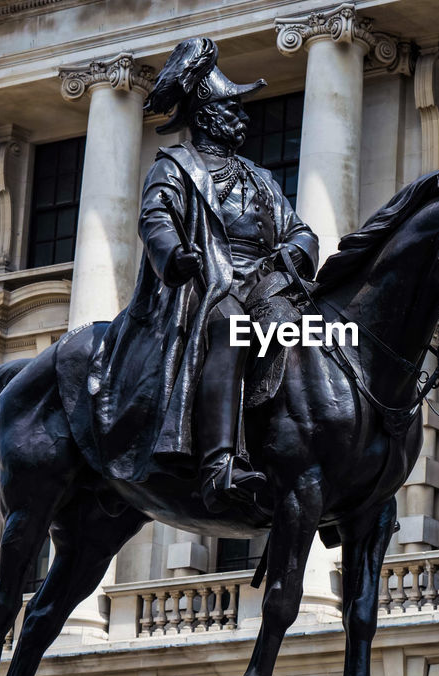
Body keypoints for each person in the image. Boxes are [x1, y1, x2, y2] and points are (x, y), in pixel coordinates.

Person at [86, 37, 318, 512]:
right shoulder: (175, 167)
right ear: (209, 114)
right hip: (206, 284)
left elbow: (300, 231)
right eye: (235, 109)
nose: (245, 118)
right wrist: (175, 256)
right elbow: (155, 220)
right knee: (231, 329)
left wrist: (293, 255)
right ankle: (219, 464)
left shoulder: (261, 178)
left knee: (315, 334)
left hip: (266, 281)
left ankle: (325, 461)